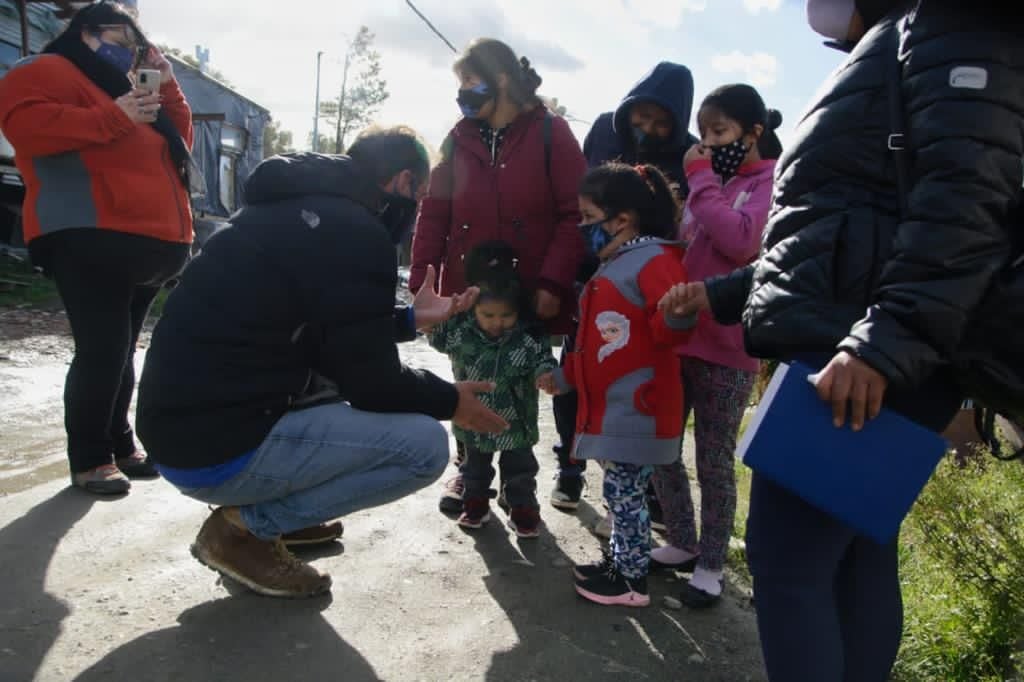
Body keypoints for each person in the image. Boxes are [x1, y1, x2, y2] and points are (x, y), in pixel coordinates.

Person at [660, 0, 1024, 677]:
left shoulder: (954, 28)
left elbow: (966, 199)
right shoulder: (907, 38)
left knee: (788, 562)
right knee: (853, 555)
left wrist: (883, 340)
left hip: (866, 351)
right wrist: (715, 294)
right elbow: (833, 230)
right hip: (867, 338)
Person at [136, 128, 509, 599]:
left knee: (331, 388)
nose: (416, 209)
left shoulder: (284, 211)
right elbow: (372, 382)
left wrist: (411, 318)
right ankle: (246, 530)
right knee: (422, 446)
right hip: (216, 452)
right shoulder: (356, 232)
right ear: (401, 181)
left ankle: (278, 516)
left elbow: (320, 324)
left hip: (180, 432)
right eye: (419, 194)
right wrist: (450, 399)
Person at [0, 2, 192, 495]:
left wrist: (165, 83)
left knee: (122, 349)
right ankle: (90, 457)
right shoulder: (43, 70)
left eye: (136, 45)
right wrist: (115, 115)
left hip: (148, 239)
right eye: (119, 38)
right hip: (88, 231)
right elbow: (28, 129)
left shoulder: (131, 87)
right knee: (102, 349)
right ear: (84, 33)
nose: (127, 51)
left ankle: (120, 443)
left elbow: (179, 141)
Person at [409, 38, 586, 515]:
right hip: (467, 291)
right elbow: (434, 211)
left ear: (501, 78)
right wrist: (423, 281)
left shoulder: (552, 133)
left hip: (523, 290)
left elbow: (575, 214)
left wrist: (552, 282)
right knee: (468, 374)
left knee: (516, 382)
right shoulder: (458, 136)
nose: (463, 92)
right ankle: (469, 473)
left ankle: (518, 481)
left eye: (469, 80)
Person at [649, 84, 783, 609]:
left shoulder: (770, 182)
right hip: (678, 340)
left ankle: (711, 561)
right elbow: (687, 246)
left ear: (753, 133)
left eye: (720, 132)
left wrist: (701, 179)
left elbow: (744, 243)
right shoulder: (711, 184)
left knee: (713, 459)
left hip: (729, 347)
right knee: (663, 447)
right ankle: (681, 539)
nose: (707, 144)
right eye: (703, 134)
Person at [538, 162, 695, 607]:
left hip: (638, 407)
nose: (583, 229)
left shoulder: (655, 261)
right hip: (620, 406)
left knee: (624, 495)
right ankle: (623, 563)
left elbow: (668, 330)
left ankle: (630, 580)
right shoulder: (621, 263)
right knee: (621, 492)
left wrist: (678, 312)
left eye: (588, 219)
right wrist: (566, 376)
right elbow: (596, 343)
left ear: (621, 220)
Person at [551, 61, 698, 515]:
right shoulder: (601, 130)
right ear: (627, 109)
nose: (648, 130)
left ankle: (640, 482)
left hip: (639, 284)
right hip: (593, 280)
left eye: (660, 124)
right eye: (641, 118)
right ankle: (572, 466)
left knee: (634, 379)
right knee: (579, 371)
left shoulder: (690, 158)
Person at [428, 241, 557, 538]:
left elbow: (543, 358)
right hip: (474, 420)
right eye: (488, 315)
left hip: (517, 421)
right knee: (475, 468)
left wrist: (546, 375)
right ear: (474, 310)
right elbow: (436, 337)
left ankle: (522, 507)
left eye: (506, 316)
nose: (497, 323)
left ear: (518, 312)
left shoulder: (528, 337)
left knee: (521, 469)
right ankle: (475, 505)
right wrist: (441, 315)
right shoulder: (460, 331)